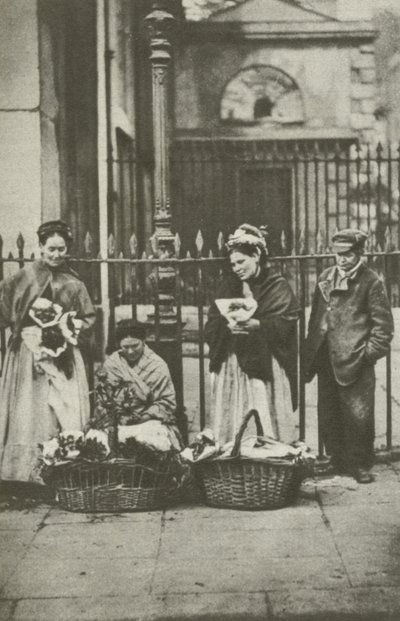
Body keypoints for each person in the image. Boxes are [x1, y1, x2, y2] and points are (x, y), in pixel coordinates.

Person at [0, 220, 95, 484]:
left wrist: (67, 327)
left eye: (61, 249)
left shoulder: (74, 284)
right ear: (40, 247)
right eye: (50, 249)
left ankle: (63, 467)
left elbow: (88, 318)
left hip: (62, 353)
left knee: (63, 406)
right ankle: (26, 471)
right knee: (30, 408)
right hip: (27, 355)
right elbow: (4, 311)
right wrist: (26, 330)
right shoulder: (21, 278)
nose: (56, 255)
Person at [305, 229, 394, 484]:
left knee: (358, 413)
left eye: (347, 254)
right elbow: (315, 317)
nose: (341, 259)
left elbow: (383, 327)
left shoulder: (370, 281)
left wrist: (367, 355)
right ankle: (334, 458)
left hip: (355, 358)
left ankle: (359, 464)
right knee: (328, 410)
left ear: (359, 253)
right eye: (337, 254)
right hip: (326, 357)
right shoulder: (325, 277)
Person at [205, 223, 300, 445]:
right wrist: (226, 327)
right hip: (233, 361)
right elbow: (212, 322)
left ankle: (270, 455)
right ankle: (234, 451)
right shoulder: (228, 286)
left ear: (256, 255)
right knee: (234, 415)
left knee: (264, 410)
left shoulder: (276, 285)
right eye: (233, 264)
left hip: (265, 363)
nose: (237, 268)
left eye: (241, 262)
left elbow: (287, 321)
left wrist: (259, 325)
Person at [100, 320, 182, 450]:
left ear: (144, 341)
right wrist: (116, 416)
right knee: (100, 442)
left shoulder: (157, 365)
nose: (130, 351)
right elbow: (104, 398)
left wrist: (143, 417)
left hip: (148, 421)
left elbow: (166, 402)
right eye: (125, 347)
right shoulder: (112, 364)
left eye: (135, 346)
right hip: (117, 421)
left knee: (150, 443)